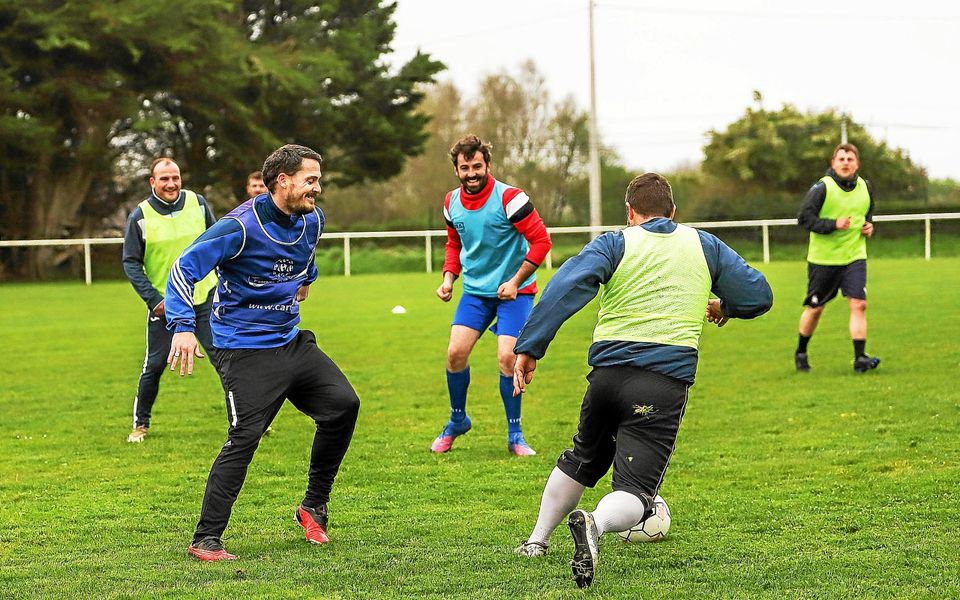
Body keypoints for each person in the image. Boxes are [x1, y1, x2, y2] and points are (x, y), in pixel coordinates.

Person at [511, 173, 773, 588]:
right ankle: (594, 524)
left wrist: (530, 347)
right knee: (635, 492)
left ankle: (535, 542)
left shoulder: (615, 242)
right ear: (673, 212)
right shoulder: (703, 244)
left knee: (582, 457)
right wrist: (725, 304)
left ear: (630, 213)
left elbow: (565, 286)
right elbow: (759, 296)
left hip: (606, 379)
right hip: (661, 382)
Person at [165, 144, 360, 562]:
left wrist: (306, 279)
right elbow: (184, 268)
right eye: (311, 179)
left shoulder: (313, 220)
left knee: (343, 406)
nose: (318, 188)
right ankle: (206, 539)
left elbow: (304, 260)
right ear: (282, 181)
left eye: (318, 180)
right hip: (244, 351)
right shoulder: (238, 227)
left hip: (291, 342)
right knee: (245, 438)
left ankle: (313, 506)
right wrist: (183, 327)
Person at [431, 134, 552, 456]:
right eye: (464, 167)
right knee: (455, 354)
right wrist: (448, 279)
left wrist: (514, 281)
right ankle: (457, 421)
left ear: (487, 165)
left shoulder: (510, 198)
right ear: (456, 169)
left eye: (477, 166)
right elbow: (455, 244)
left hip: (516, 293)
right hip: (475, 292)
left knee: (508, 358)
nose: (471, 173)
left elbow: (541, 242)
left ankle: (515, 435)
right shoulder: (450, 202)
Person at [121, 158, 220, 443]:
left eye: (175, 177)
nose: (171, 184)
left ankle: (247, 422)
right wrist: (154, 300)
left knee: (225, 360)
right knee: (154, 366)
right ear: (153, 182)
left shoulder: (198, 204)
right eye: (164, 179)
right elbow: (130, 262)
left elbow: (217, 243)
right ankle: (141, 424)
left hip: (205, 300)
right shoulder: (140, 216)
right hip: (167, 306)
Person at [795, 143, 880, 373]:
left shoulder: (866, 187)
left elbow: (867, 213)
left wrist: (869, 226)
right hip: (823, 260)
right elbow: (804, 218)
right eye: (841, 159)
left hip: (854, 256)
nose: (845, 162)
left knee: (859, 304)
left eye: (850, 159)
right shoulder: (822, 188)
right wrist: (833, 225)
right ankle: (801, 352)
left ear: (857, 164)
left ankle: (860, 358)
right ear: (833, 164)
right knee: (816, 309)